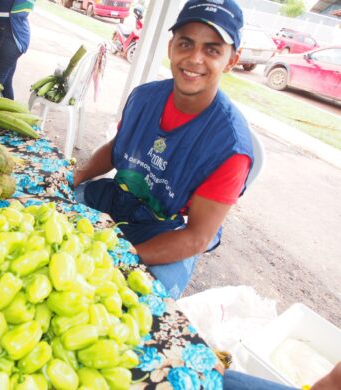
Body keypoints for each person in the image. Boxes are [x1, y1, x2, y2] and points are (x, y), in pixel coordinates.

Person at [73, 0, 254, 299]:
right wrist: (78, 174)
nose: (195, 58)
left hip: (169, 233)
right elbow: (118, 147)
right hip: (117, 200)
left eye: (212, 49)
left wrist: (118, 259)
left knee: (138, 311)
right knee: (45, 214)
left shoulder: (231, 148)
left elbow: (196, 237)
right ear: (171, 47)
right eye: (186, 43)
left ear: (232, 60)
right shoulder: (144, 98)